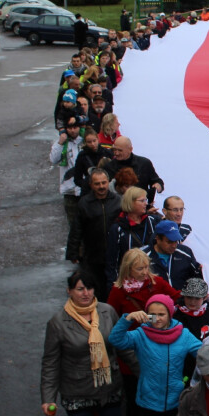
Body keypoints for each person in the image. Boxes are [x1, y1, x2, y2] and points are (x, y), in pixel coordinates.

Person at [41, 272, 132, 416]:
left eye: (89, 288)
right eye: (80, 289)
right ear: (69, 291)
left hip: (109, 389)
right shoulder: (58, 323)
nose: (86, 293)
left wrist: (146, 375)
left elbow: (125, 349)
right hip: (77, 393)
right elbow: (51, 363)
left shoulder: (108, 312)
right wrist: (48, 399)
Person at [110, 294, 202, 416]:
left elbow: (203, 352)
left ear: (170, 315)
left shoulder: (183, 334)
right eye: (153, 314)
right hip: (148, 401)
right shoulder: (141, 334)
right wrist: (128, 319)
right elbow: (116, 340)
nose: (157, 319)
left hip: (175, 400)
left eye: (161, 314)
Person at [68, 168, 121, 302]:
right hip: (92, 254)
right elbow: (76, 229)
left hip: (115, 254)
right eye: (97, 184)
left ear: (108, 182)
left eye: (104, 183)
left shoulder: (118, 201)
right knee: (94, 287)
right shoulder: (84, 203)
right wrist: (73, 252)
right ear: (91, 185)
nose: (101, 186)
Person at [105, 186, 161, 286]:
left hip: (151, 276)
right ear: (131, 202)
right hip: (129, 280)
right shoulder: (118, 229)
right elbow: (112, 261)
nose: (146, 203)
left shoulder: (152, 221)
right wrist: (114, 284)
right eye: (142, 200)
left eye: (146, 200)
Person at [140, 220, 202, 290]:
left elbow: (197, 277)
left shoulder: (185, 253)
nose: (174, 245)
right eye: (169, 242)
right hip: (156, 300)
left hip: (181, 299)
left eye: (176, 241)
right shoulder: (143, 257)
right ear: (158, 239)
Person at [103, 136, 164, 206]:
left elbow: (157, 181)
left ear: (130, 149)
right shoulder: (108, 167)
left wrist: (158, 186)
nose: (116, 153)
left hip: (143, 206)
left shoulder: (144, 163)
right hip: (119, 206)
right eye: (114, 150)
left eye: (120, 150)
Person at [50, 118, 84, 232]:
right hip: (69, 191)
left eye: (75, 127)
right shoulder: (61, 143)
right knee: (73, 227)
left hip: (84, 191)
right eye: (70, 128)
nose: (73, 130)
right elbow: (53, 159)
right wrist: (60, 143)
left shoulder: (85, 141)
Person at [73, 127, 112, 194]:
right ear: (85, 142)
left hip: (107, 190)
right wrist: (89, 185)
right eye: (89, 142)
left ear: (98, 139)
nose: (93, 144)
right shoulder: (82, 156)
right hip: (89, 192)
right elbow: (77, 179)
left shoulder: (107, 152)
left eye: (94, 141)